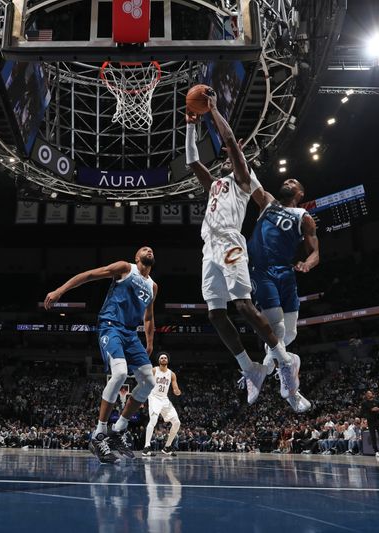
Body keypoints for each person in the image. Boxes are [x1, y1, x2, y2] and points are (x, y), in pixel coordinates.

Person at [184, 89, 303, 409]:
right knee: (215, 314)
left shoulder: (242, 181)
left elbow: (233, 141)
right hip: (209, 248)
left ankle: (283, 359)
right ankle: (250, 369)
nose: (228, 158)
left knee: (244, 307)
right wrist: (190, 125)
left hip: (230, 243)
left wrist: (212, 111)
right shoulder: (215, 186)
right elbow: (192, 161)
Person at [45, 247, 158, 464]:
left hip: (131, 334)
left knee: (149, 381)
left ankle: (118, 430)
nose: (149, 250)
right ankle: (98, 435)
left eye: (151, 249)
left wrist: (150, 341)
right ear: (137, 257)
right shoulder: (126, 268)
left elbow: (149, 316)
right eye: (144, 249)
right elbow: (89, 275)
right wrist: (60, 290)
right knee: (120, 374)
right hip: (111, 325)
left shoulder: (153, 286)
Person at [246, 176, 319, 412]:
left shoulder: (304, 218)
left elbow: (315, 252)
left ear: (300, 193)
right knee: (276, 329)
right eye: (287, 180)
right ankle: (289, 387)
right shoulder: (267, 201)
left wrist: (307, 264)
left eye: (294, 181)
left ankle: (266, 369)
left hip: (286, 273)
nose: (288, 181)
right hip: (262, 271)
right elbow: (247, 177)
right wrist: (232, 146)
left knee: (289, 334)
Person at [142, 352, 182, 457]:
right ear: (159, 361)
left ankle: (167, 447)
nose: (163, 359)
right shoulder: (154, 370)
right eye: (161, 358)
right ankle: (146, 447)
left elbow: (175, 387)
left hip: (164, 399)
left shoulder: (172, 374)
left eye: (165, 358)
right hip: (154, 397)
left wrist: (177, 391)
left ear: (167, 360)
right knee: (153, 420)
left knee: (177, 422)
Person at [361, 390, 379, 457]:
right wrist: (371, 410)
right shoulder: (364, 403)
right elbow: (362, 413)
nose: (370, 394)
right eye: (368, 393)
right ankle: (376, 451)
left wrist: (378, 409)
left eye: (370, 393)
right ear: (366, 395)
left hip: (377, 420)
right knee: (373, 437)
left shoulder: (377, 402)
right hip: (370, 421)